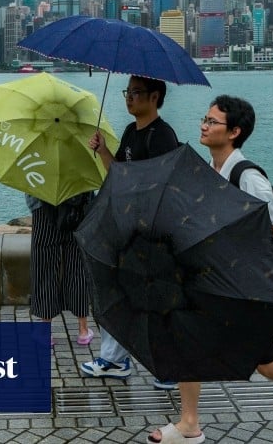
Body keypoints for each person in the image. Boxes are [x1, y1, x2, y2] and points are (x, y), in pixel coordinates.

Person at [148, 95, 273, 444]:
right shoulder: (215, 170)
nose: (204, 125)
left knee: (263, 360)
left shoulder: (248, 176)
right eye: (205, 118)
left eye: (212, 122)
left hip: (254, 283)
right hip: (232, 275)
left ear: (235, 132)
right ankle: (188, 425)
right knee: (186, 335)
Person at [79, 74, 180, 391]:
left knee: (153, 299)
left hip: (153, 233)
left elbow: (163, 185)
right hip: (129, 229)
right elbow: (119, 174)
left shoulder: (162, 136)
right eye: (127, 92)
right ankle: (116, 359)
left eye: (136, 93)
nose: (129, 98)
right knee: (120, 292)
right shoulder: (130, 132)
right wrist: (104, 151)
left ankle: (168, 366)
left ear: (155, 96)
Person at [26, 192, 93, 346]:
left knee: (45, 268)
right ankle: (83, 330)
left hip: (44, 209)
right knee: (78, 268)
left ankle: (45, 331)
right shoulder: (83, 165)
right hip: (78, 208)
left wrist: (34, 207)